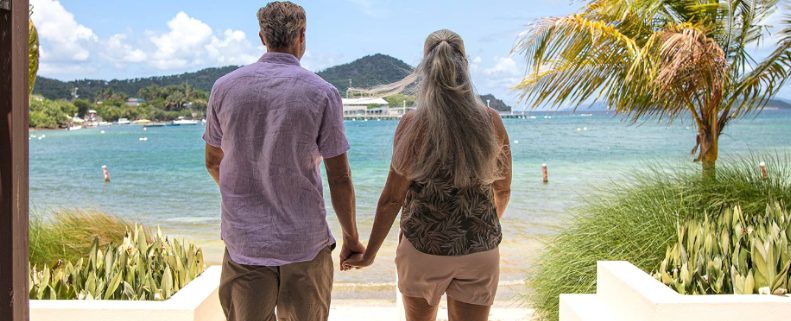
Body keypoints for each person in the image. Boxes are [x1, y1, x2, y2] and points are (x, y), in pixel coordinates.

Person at [203, 2, 364, 320]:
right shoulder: (323, 93)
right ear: (302, 35)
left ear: (262, 37)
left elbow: (213, 161)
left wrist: (247, 199)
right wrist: (351, 239)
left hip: (245, 243)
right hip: (304, 242)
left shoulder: (224, 88)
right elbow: (339, 177)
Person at [343, 29, 513, 321]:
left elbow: (391, 200)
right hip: (479, 252)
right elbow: (503, 189)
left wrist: (369, 253)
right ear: (466, 65)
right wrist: (477, 230)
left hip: (423, 249)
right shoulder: (490, 120)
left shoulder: (413, 124)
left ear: (426, 68)